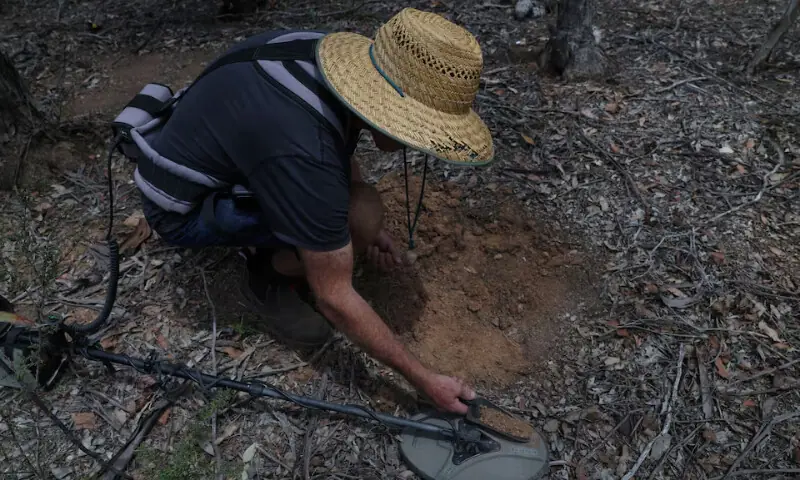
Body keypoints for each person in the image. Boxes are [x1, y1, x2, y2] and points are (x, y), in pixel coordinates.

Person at [134, 7, 494, 414]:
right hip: (183, 208)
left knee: (360, 212)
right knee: (358, 214)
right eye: (423, 131)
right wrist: (425, 379)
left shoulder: (327, 58)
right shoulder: (303, 149)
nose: (423, 144)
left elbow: (336, 138)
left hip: (213, 152)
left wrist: (364, 229)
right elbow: (335, 296)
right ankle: (268, 280)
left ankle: (291, 236)